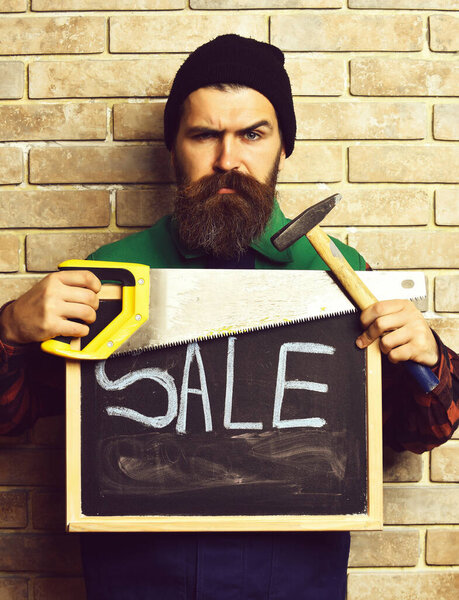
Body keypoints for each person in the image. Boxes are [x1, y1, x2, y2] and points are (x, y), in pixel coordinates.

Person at [0, 35, 458, 600]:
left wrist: (430, 357)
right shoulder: (108, 276)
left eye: (252, 135)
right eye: (204, 135)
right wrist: (10, 332)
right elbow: (11, 424)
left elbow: (419, 435)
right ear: (174, 147)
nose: (227, 160)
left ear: (283, 147)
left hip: (294, 582)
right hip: (137, 581)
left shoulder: (341, 278)